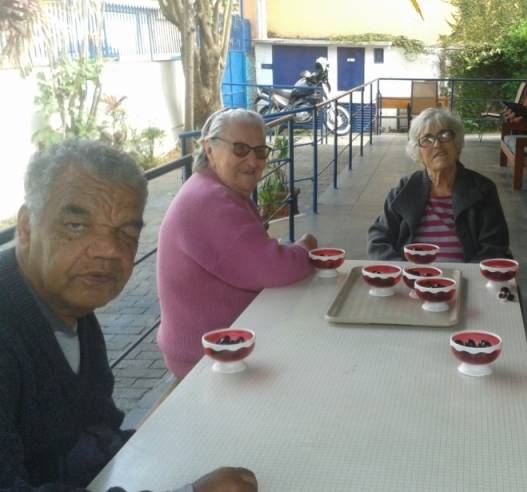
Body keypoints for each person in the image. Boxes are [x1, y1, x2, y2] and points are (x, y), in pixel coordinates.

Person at [0, 139, 257, 491]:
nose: (108, 250)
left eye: (126, 232)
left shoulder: (73, 307)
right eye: (76, 226)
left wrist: (186, 440)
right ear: (27, 227)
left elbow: (97, 437)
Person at [157, 108, 317, 379]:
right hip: (207, 358)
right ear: (209, 149)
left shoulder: (215, 189)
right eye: (241, 149)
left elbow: (250, 256)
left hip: (222, 342)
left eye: (260, 151)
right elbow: (273, 268)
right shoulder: (210, 201)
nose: (253, 161)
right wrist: (305, 249)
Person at [367, 107, 510, 262]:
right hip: (412, 280)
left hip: (462, 281)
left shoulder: (482, 189)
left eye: (444, 135)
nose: (437, 145)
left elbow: (494, 248)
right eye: (427, 139)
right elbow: (378, 237)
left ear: (457, 143)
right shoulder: (404, 189)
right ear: (418, 151)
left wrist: (466, 276)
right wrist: (401, 270)